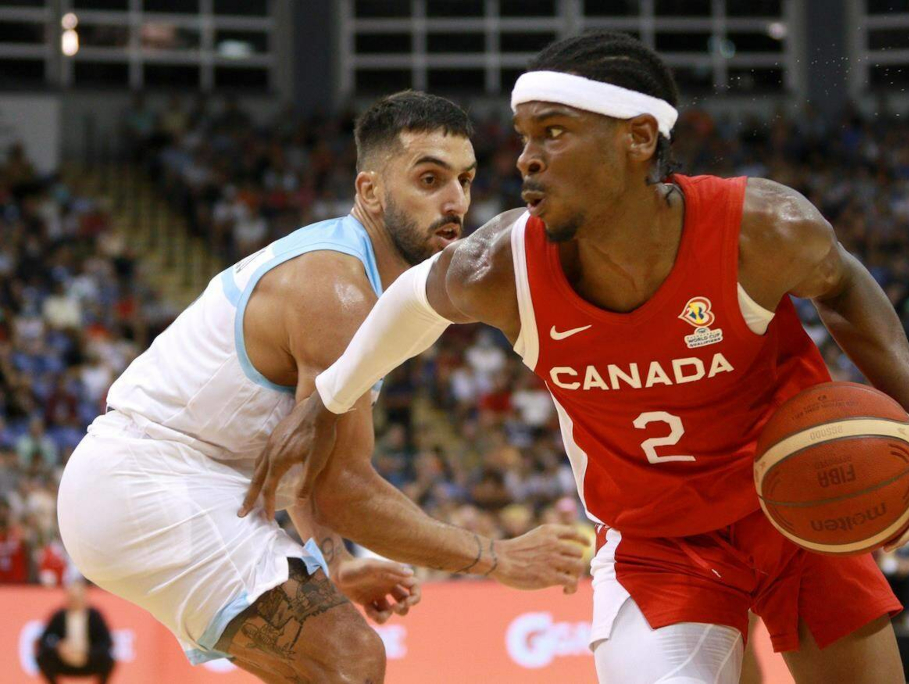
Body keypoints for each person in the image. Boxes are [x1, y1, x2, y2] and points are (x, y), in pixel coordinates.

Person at [244, 34, 909, 684]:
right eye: (525, 136)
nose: (525, 156)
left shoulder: (760, 229)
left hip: (795, 514)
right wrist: (328, 398)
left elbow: (842, 286)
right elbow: (411, 303)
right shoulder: (505, 265)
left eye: (553, 134)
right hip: (656, 543)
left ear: (640, 139)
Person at [58, 91, 588, 684]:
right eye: (430, 179)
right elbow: (343, 488)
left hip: (168, 481)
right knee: (351, 659)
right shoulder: (335, 289)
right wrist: (497, 557)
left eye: (464, 180)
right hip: (151, 479)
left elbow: (308, 453)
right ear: (370, 191)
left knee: (325, 668)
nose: (455, 201)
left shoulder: (378, 290)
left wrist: (334, 560)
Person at [35, 578, 115, 684]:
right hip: (63, 661)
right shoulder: (59, 616)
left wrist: (87, 653)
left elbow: (106, 642)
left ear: (85, 596)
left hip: (89, 660)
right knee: (42, 657)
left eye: (78, 597)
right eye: (72, 597)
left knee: (108, 659)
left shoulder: (95, 616)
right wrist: (59, 648)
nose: (75, 600)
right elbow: (44, 640)